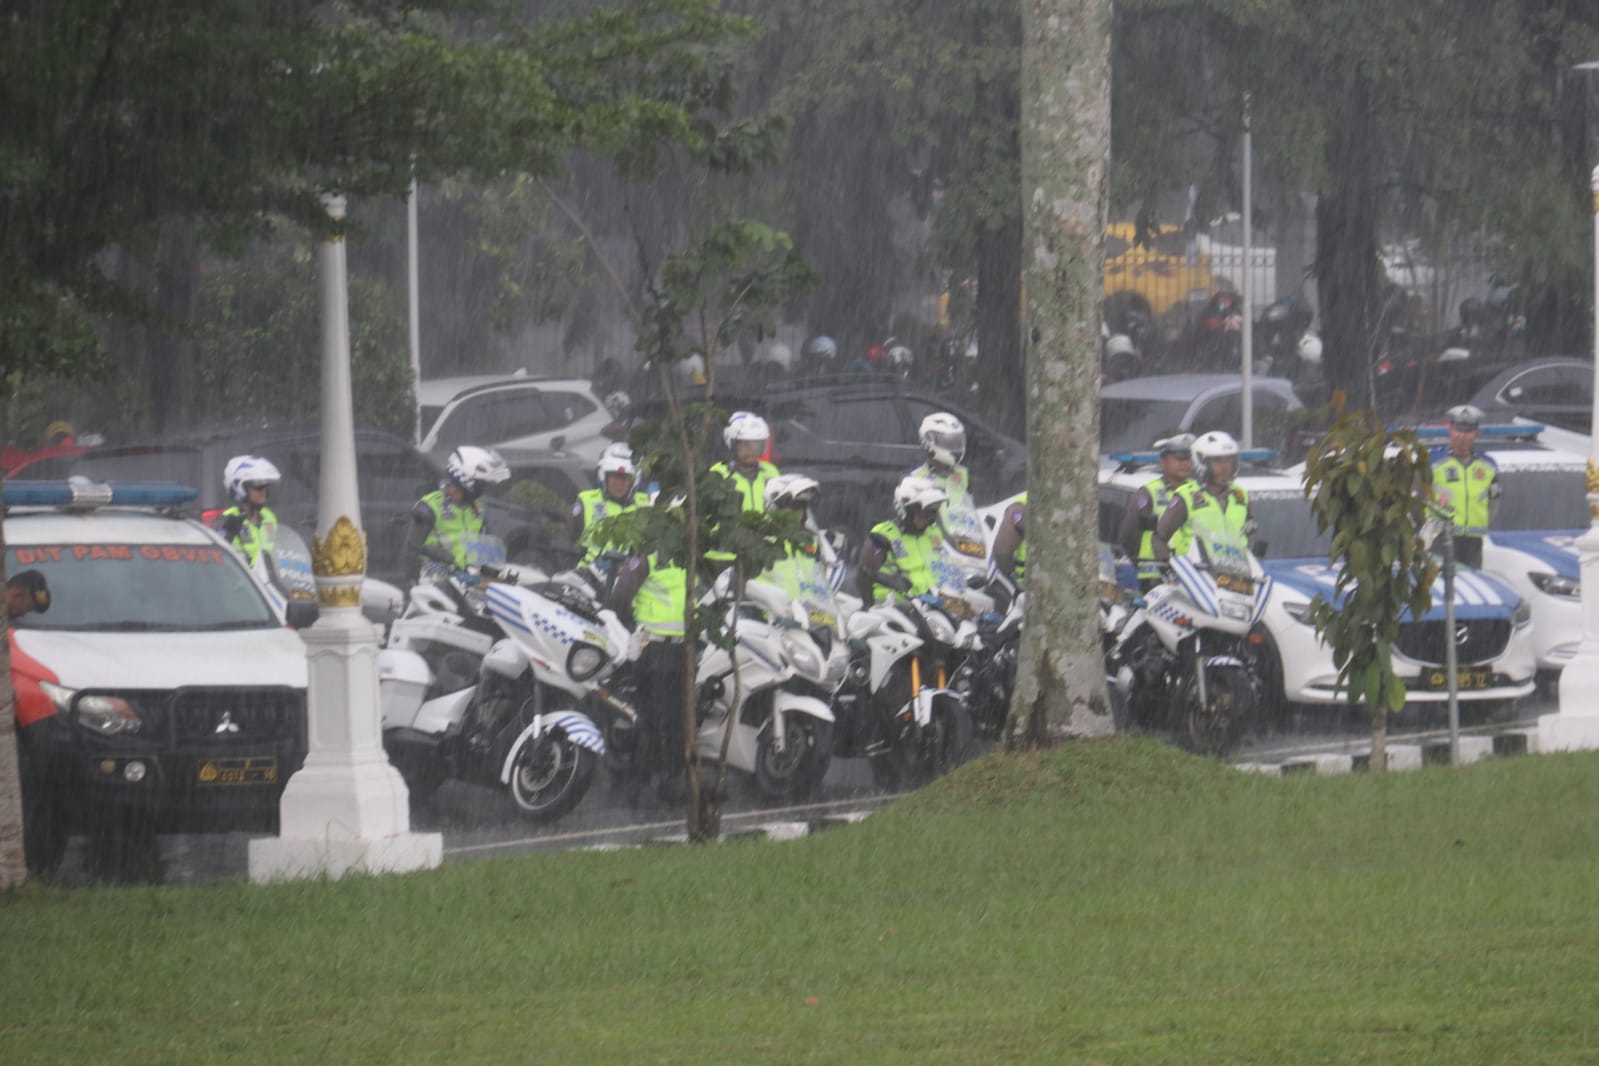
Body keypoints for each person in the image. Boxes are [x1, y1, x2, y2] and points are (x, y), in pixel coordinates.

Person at [608, 548, 690, 803]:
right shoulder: (648, 556)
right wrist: (634, 627)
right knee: (650, 719)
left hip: (680, 649)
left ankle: (669, 782)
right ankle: (638, 784)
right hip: (652, 648)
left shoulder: (688, 552)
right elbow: (620, 597)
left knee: (677, 721)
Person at [1152, 430, 1253, 563]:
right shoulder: (1186, 497)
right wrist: (1170, 566)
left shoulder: (1241, 496)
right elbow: (1159, 538)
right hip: (1197, 572)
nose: (1225, 467)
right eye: (1217, 461)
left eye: (1229, 461)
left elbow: (1249, 533)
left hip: (1236, 572)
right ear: (1201, 462)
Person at [408, 445, 510, 574]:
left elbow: (481, 546)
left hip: (465, 578)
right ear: (466, 482)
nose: (482, 490)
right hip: (431, 579)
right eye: (481, 484)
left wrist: (490, 569)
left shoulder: (476, 509)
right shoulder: (430, 507)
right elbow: (412, 549)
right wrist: (442, 560)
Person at [856, 474, 950, 604]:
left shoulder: (933, 534)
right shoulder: (883, 535)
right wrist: (897, 585)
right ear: (906, 510)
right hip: (891, 605)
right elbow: (865, 575)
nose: (926, 517)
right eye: (921, 512)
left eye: (931, 512)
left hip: (928, 604)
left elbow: (944, 567)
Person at [1118, 433, 1196, 587]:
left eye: (1188, 459)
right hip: (1155, 575)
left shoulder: (1199, 492)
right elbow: (1128, 535)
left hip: (1193, 575)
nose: (1185, 463)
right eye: (1179, 459)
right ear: (1163, 461)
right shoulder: (1149, 493)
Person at [1429, 403, 1499, 569]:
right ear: (1450, 430)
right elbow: (1417, 497)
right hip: (1440, 538)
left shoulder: (1488, 465)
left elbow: (1493, 504)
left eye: (1468, 431)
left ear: (1476, 433)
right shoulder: (1433, 461)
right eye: (1458, 430)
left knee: (1471, 583)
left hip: (1473, 544)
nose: (1463, 436)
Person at [569, 443, 649, 566]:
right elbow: (570, 545)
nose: (619, 484)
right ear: (604, 477)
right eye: (615, 477)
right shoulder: (586, 502)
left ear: (634, 481)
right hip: (590, 572)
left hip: (633, 574)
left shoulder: (647, 505)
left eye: (625, 478)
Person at [214, 455, 281, 568]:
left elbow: (280, 550)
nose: (264, 492)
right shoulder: (228, 519)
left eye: (266, 487)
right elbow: (218, 558)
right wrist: (229, 534)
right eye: (258, 487)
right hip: (243, 577)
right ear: (240, 488)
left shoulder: (269, 517)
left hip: (271, 577)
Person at [711, 411, 780, 513]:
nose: (752, 450)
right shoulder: (718, 473)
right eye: (745, 444)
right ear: (732, 444)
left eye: (757, 444)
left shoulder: (771, 471)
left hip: (765, 524)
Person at [908, 412, 973, 511]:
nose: (955, 447)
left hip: (958, 521)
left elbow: (970, 508)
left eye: (957, 443)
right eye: (949, 443)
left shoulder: (963, 473)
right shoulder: (916, 477)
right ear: (929, 441)